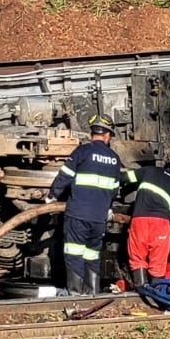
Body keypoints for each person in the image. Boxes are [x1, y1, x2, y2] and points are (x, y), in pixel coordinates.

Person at [48, 114, 125, 295]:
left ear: (93, 134)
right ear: (107, 135)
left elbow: (65, 175)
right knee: (92, 255)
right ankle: (91, 293)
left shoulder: (82, 152)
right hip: (99, 219)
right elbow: (114, 189)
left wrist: (51, 196)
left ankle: (75, 295)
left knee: (74, 254)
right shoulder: (114, 159)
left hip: (78, 215)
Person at [122, 157, 170, 289]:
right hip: (160, 224)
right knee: (158, 264)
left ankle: (141, 290)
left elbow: (125, 177)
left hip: (139, 220)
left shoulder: (150, 171)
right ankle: (158, 295)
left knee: (137, 259)